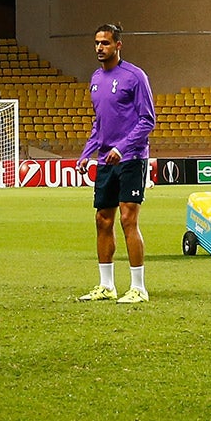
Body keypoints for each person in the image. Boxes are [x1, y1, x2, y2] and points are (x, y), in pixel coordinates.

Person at [76, 23, 155, 305]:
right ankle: (106, 285)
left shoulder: (135, 77)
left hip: (131, 158)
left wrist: (122, 149)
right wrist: (87, 153)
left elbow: (148, 120)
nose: (100, 48)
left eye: (106, 43)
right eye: (97, 43)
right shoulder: (95, 78)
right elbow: (99, 123)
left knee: (127, 219)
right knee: (102, 220)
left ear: (118, 45)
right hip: (105, 160)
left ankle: (138, 287)